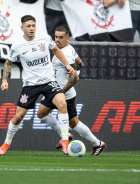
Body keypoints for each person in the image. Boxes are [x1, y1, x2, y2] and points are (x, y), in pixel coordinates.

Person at [0, 15, 75, 155]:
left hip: (48, 81)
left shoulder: (44, 38)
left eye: (33, 25)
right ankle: (6, 143)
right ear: (22, 28)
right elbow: (8, 62)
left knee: (62, 103)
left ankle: (64, 140)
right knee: (18, 116)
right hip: (30, 85)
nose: (31, 28)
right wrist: (4, 80)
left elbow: (56, 50)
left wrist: (67, 65)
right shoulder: (17, 45)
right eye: (28, 26)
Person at [37, 26, 106, 156]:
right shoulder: (66, 49)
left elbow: (75, 78)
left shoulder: (66, 54)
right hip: (55, 91)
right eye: (56, 37)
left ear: (68, 38)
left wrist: (61, 92)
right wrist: (76, 70)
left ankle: (97, 143)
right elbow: (80, 64)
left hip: (64, 94)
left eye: (60, 37)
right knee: (42, 114)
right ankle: (66, 135)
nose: (57, 40)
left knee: (73, 123)